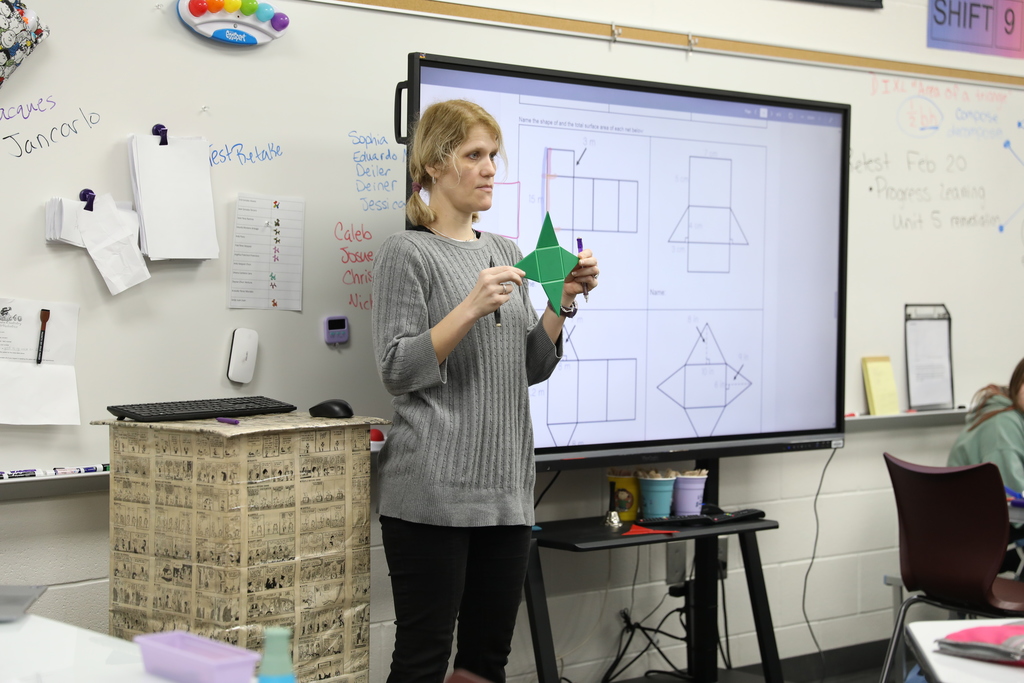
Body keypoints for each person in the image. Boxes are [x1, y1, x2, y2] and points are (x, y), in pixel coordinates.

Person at [370, 99, 599, 683]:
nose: (490, 168)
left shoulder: (504, 251)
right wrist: (470, 308)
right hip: (431, 494)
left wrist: (561, 301)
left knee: (485, 662)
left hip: (506, 493)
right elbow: (397, 368)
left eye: (493, 155)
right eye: (474, 155)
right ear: (435, 165)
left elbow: (529, 366)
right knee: (422, 659)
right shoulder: (407, 252)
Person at [948, 357, 1024, 572]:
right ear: (1017, 382)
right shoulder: (1004, 423)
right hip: (978, 542)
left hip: (977, 536)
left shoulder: (1012, 415)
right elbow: (1018, 497)